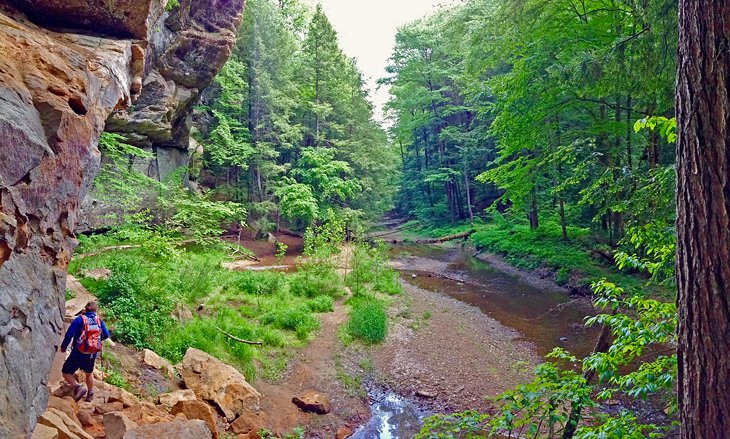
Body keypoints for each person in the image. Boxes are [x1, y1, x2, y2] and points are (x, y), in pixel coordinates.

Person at [60, 301, 110, 402]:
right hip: (91, 354)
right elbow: (106, 335)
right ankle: (90, 394)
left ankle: (78, 387)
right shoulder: (98, 320)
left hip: (78, 353)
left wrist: (64, 347)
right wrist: (95, 341)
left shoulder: (79, 320)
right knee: (89, 373)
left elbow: (69, 335)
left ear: (85, 309)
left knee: (66, 372)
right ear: (95, 310)